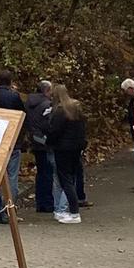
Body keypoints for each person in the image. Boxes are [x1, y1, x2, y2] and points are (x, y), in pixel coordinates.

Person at [44, 84, 87, 224]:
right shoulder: (76, 108)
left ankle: (73, 212)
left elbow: (54, 132)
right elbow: (82, 129)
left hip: (62, 148)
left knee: (65, 180)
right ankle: (72, 210)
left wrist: (48, 141)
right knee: (72, 178)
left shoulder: (59, 111)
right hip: (76, 147)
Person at [0, 69, 24, 225]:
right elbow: (21, 114)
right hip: (12, 140)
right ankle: (9, 211)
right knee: (12, 177)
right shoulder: (14, 96)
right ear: (10, 82)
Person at [26, 80, 55, 213]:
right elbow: (47, 124)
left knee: (41, 172)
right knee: (48, 172)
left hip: (34, 138)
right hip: (44, 140)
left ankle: (40, 202)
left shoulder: (29, 103)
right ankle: (48, 203)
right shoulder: (47, 105)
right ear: (47, 91)